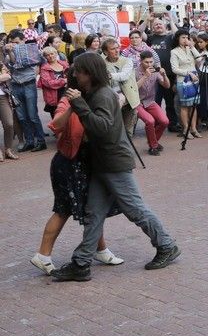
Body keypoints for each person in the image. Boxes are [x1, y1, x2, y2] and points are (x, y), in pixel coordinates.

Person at [50, 53, 180, 282]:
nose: (75, 74)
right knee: (93, 213)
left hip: (114, 162)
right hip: (103, 163)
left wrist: (79, 104)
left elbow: (102, 128)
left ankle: (166, 245)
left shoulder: (103, 95)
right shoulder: (93, 93)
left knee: (135, 209)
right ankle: (81, 263)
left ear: (89, 73)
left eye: (78, 71)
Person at [30, 78, 124, 274]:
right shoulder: (67, 100)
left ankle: (100, 249)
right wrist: (73, 107)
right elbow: (55, 125)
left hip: (88, 162)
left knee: (94, 208)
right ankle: (42, 255)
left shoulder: (98, 99)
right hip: (68, 163)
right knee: (63, 210)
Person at [3, 30, 46, 152]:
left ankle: (41, 141)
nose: (14, 45)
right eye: (12, 42)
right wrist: (9, 51)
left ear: (23, 41)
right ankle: (30, 141)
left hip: (28, 84)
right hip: (16, 86)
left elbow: (40, 62)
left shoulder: (31, 50)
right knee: (21, 117)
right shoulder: (7, 53)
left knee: (32, 115)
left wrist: (36, 70)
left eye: (16, 42)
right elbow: (11, 64)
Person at [135, 51, 170, 156]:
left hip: (150, 101)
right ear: (141, 61)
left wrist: (164, 75)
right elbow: (133, 88)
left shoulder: (155, 71)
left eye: (151, 62)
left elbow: (166, 86)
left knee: (165, 121)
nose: (149, 65)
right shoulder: (135, 72)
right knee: (150, 121)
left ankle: (152, 141)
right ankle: (153, 146)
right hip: (137, 102)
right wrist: (145, 76)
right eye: (146, 62)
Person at [170, 30, 202, 139]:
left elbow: (199, 59)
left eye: (187, 37)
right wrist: (188, 73)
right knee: (184, 106)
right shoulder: (174, 52)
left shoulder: (190, 49)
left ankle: (194, 128)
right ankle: (186, 129)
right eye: (183, 37)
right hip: (183, 81)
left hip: (194, 80)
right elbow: (174, 69)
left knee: (194, 105)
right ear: (178, 39)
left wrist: (192, 47)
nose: (185, 40)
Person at [38, 46, 69, 119]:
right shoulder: (44, 68)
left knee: (68, 118)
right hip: (53, 97)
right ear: (45, 57)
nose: (50, 56)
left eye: (52, 54)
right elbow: (48, 83)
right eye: (47, 55)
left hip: (66, 94)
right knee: (56, 119)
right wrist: (63, 81)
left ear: (56, 54)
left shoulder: (65, 64)